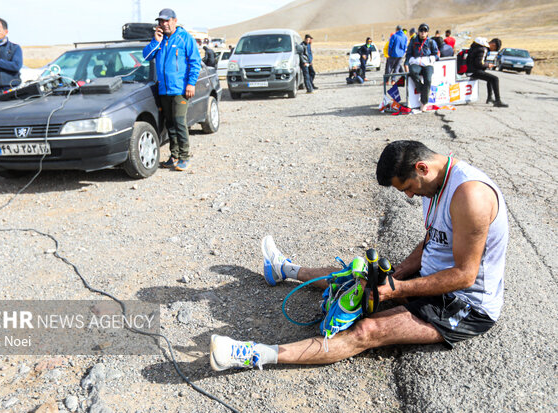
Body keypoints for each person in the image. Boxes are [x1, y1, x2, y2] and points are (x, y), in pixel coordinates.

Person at [210, 140, 508, 371]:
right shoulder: (433, 185)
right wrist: (399, 274)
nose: (408, 196)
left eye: (408, 188)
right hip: (431, 279)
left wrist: (397, 291)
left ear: (422, 167)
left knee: (367, 330)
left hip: (465, 303)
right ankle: (284, 269)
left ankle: (252, 354)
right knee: (354, 278)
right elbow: (432, 238)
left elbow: (464, 275)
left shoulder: (470, 196)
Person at [142, 8, 201, 171]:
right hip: (163, 90)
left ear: (175, 21)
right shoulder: (159, 41)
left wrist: (191, 83)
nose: (164, 24)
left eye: (167, 21)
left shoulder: (185, 38)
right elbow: (146, 56)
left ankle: (184, 156)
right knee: (170, 124)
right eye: (161, 21)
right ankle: (174, 156)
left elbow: (195, 62)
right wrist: (156, 41)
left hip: (180, 89)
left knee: (180, 122)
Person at [405, 23, 438, 112]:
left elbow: (437, 54)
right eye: (421, 31)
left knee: (428, 79)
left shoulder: (431, 42)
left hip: (427, 64)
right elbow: (408, 53)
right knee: (413, 72)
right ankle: (421, 88)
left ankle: (424, 102)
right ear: (418, 32)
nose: (423, 32)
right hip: (416, 62)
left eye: (425, 31)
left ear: (427, 32)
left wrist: (433, 58)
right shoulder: (413, 41)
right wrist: (407, 63)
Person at [467, 37, 508, 108]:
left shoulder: (478, 46)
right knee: (495, 79)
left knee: (490, 78)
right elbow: (479, 63)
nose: (492, 51)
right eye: (494, 49)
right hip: (473, 71)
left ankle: (490, 98)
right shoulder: (483, 49)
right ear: (493, 44)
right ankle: (498, 101)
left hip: (470, 69)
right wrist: (488, 65)